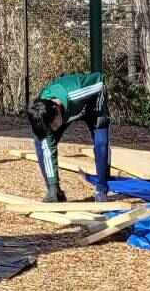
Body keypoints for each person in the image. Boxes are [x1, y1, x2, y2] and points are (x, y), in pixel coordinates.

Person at [26, 71, 111, 202]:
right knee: (41, 143)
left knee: (101, 143)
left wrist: (100, 111)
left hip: (92, 105)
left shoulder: (75, 93)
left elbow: (99, 84)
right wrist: (53, 187)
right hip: (67, 112)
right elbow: (48, 152)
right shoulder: (42, 114)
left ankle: (102, 189)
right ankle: (54, 191)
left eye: (53, 125)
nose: (54, 129)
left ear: (56, 109)